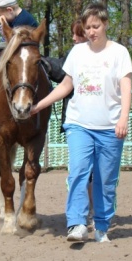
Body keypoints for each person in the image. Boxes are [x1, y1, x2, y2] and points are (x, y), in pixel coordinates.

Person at [31, 2, 132, 243]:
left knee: (105, 180)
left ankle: (101, 226)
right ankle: (76, 223)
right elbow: (67, 86)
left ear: (105, 24)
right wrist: (39, 105)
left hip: (110, 127)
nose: (91, 32)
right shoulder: (77, 53)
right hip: (79, 124)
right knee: (78, 171)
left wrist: (123, 118)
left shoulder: (119, 53)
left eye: (96, 26)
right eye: (87, 27)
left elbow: (126, 89)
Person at [42, 19, 94, 220]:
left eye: (78, 34)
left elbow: (62, 69)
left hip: (102, 123)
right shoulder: (74, 55)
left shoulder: (104, 55)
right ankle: (85, 209)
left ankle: (93, 206)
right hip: (77, 123)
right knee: (82, 169)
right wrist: (43, 61)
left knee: (96, 171)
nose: (74, 38)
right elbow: (62, 70)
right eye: (74, 34)